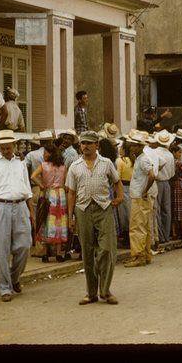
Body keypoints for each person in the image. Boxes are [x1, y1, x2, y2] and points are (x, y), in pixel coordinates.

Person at [66, 131, 123, 305]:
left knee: (107, 249)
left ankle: (105, 291)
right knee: (87, 252)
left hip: (104, 208)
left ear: (97, 145)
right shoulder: (75, 166)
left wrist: (119, 197)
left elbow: (117, 182)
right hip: (82, 210)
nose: (85, 146)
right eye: (83, 143)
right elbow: (71, 192)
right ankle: (91, 293)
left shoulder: (106, 164)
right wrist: (70, 217)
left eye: (89, 143)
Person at [0, 130, 33, 302]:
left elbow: (27, 189)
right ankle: (5, 287)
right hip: (1, 206)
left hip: (20, 206)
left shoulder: (21, 163)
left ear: (14, 146)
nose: (5, 151)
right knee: (2, 249)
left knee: (25, 245)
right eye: (2, 148)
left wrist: (31, 211)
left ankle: (14, 277)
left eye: (8, 148)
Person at [31, 143, 69, 263]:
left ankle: (46, 253)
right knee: (60, 222)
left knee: (46, 221)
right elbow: (66, 183)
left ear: (50, 153)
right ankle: (58, 253)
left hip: (48, 193)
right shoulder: (63, 166)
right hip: (60, 194)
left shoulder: (43, 165)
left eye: (45, 152)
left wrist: (42, 185)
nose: (43, 154)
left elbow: (33, 176)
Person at [123, 130, 155, 268]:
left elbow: (152, 175)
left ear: (140, 146)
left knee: (137, 227)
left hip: (139, 197)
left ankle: (138, 256)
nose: (132, 147)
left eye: (135, 145)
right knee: (144, 227)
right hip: (140, 196)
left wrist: (144, 191)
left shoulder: (143, 159)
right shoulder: (140, 159)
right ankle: (146, 254)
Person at [25, 130, 56, 258]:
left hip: (37, 188)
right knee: (51, 219)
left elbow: (25, 170)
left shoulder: (31, 155)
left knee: (37, 220)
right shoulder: (56, 155)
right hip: (52, 190)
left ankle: (40, 249)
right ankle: (53, 247)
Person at [154, 129, 175, 243]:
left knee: (157, 208)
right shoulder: (170, 155)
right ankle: (166, 235)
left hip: (157, 182)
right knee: (166, 209)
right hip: (166, 182)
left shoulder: (155, 152)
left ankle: (160, 235)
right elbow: (172, 173)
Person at [115, 139, 134, 248]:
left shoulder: (120, 161)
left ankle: (126, 238)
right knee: (130, 213)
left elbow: (117, 177)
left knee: (124, 214)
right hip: (133, 187)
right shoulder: (134, 160)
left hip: (123, 187)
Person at [169, 143, 182, 240]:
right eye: (179, 152)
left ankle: (174, 232)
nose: (180, 154)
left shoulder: (169, 162)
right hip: (179, 184)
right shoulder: (178, 163)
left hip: (172, 185)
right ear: (173, 152)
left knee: (174, 209)